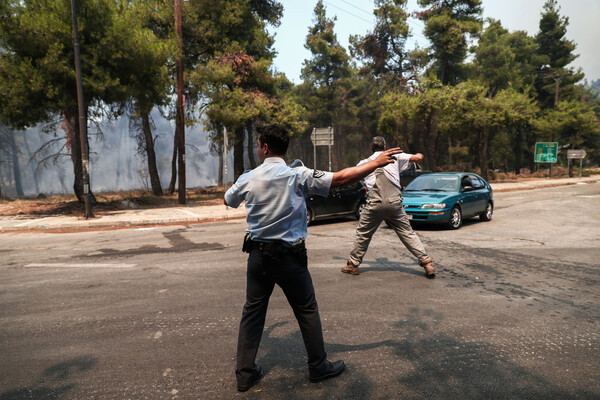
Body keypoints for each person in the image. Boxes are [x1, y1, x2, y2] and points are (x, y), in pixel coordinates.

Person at [224, 124, 402, 392]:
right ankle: (318, 367)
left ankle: (245, 374)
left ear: (264, 148)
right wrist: (375, 163)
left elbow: (229, 200)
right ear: (283, 149)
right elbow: (342, 178)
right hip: (290, 259)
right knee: (307, 311)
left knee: (252, 313)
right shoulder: (298, 175)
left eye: (259, 144)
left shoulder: (250, 177)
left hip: (258, 257)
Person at [341, 136, 435, 278]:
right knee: (407, 233)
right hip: (394, 204)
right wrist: (419, 155)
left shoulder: (364, 162)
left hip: (375, 204)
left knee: (363, 234)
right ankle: (426, 262)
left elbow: (352, 176)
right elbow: (417, 158)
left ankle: (353, 265)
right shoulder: (396, 156)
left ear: (371, 148)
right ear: (385, 147)